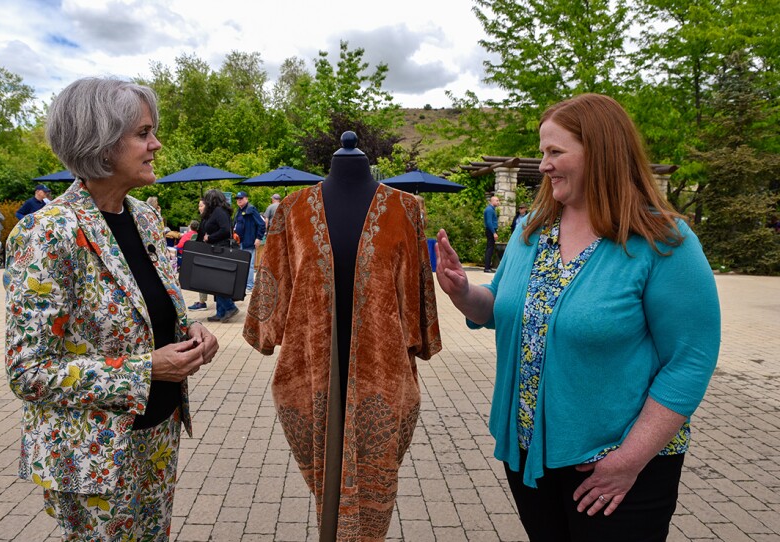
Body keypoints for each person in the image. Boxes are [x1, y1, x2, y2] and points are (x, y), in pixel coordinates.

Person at [434, 93, 721, 541]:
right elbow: (499, 308)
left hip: (620, 466)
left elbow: (691, 359)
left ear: (601, 152)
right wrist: (463, 292)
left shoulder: (662, 241)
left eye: (555, 152)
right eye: (542, 151)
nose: (544, 165)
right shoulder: (531, 230)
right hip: (530, 454)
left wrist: (627, 462)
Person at [3, 77, 220, 541]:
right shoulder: (49, 233)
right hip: (96, 450)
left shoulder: (144, 217)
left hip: (158, 430)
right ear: (100, 143)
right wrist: (145, 370)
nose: (156, 144)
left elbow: (153, 315)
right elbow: (28, 371)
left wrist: (192, 337)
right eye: (143, 133)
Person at [244, 132, 441, 540]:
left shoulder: (406, 210)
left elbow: (421, 296)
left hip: (382, 381)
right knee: (327, 485)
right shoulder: (292, 211)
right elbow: (271, 294)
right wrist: (266, 330)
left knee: (374, 485)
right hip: (313, 375)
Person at [201, 188, 240, 322]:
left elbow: (224, 230)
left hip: (220, 249)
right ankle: (220, 312)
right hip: (217, 249)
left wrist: (209, 238)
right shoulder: (218, 212)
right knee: (217, 281)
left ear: (211, 200)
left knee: (217, 282)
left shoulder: (219, 212)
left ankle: (230, 307)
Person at [233, 191, 265, 292]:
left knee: (249, 265)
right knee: (241, 264)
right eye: (237, 199)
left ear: (246, 199)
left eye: (241, 198)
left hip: (249, 241)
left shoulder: (251, 209)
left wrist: (258, 238)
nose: (239, 200)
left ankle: (250, 286)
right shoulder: (238, 210)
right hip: (239, 242)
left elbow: (262, 224)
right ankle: (244, 284)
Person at [177, 218, 209, 311]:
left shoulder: (188, 235)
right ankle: (202, 301)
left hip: (187, 258)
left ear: (190, 226)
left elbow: (179, 246)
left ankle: (202, 302)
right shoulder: (198, 235)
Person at [483, 195, 499, 272]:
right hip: (490, 230)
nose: (498, 202)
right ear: (492, 201)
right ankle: (487, 267)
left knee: (491, 248)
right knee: (489, 248)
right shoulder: (489, 210)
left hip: (491, 230)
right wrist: (494, 233)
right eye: (497, 200)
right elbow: (489, 222)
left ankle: (488, 266)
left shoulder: (491, 209)